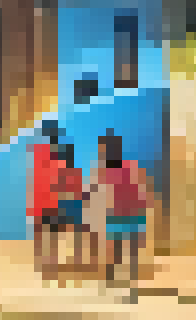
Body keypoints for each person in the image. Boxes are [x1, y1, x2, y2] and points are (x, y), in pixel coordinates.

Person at [95, 132, 156, 291]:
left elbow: (103, 196)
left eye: (102, 151)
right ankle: (130, 281)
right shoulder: (132, 166)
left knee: (114, 250)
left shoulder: (105, 172)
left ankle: (111, 281)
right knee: (131, 250)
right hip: (134, 214)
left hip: (117, 215)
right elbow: (144, 191)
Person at [29, 121, 65, 277]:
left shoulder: (38, 154)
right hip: (52, 201)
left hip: (40, 200)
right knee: (51, 234)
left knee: (42, 233)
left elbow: (35, 178)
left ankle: (43, 263)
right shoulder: (59, 156)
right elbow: (61, 179)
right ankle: (50, 264)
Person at [52, 143, 92, 276]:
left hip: (68, 206)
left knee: (59, 235)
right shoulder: (75, 172)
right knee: (79, 235)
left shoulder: (59, 173)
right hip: (74, 206)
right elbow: (82, 192)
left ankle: (54, 263)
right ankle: (77, 261)